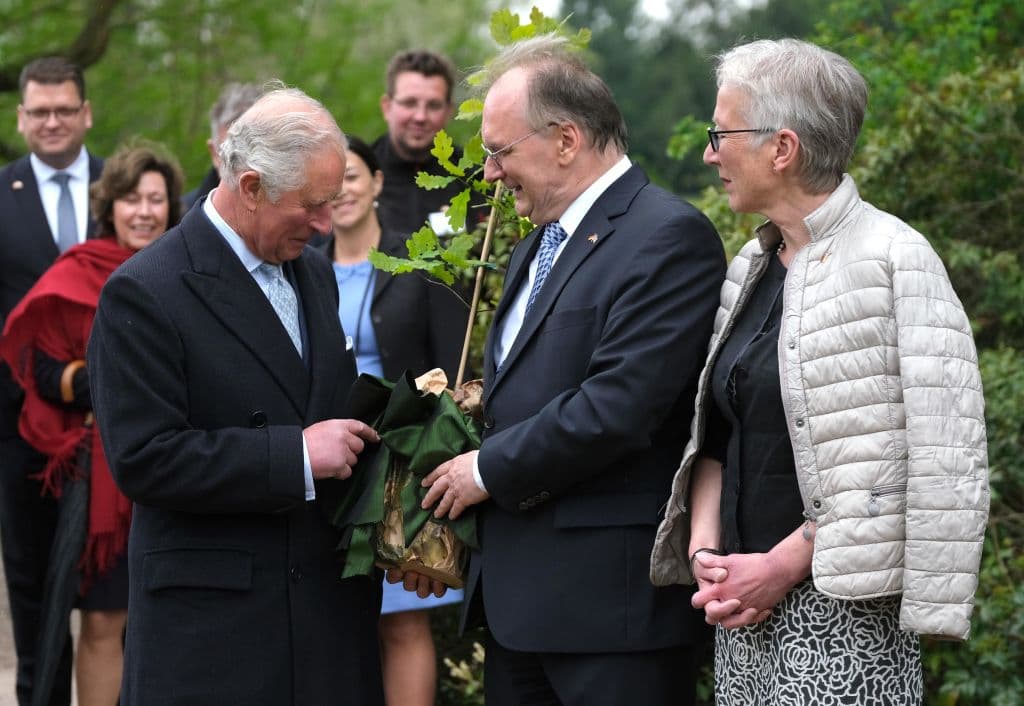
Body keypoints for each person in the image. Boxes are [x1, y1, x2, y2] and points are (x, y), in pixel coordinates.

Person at [648, 38, 990, 705]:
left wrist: (781, 566)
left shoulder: (896, 260)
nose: (710, 153)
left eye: (722, 133)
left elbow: (931, 453)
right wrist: (706, 553)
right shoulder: (748, 267)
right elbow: (718, 429)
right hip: (741, 612)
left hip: (844, 611)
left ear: (783, 148)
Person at [407, 34, 726, 706]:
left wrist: (482, 473)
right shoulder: (536, 246)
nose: (490, 172)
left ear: (565, 140)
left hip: (611, 621)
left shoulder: (668, 238)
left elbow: (619, 405)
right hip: (519, 612)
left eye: (499, 151)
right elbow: (520, 398)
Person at [86, 86, 385, 706]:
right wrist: (295, 458)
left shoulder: (316, 272)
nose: (327, 224)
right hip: (216, 638)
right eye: (312, 205)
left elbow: (331, 417)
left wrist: (400, 517)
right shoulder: (145, 291)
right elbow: (145, 458)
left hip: (326, 627)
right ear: (250, 187)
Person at [1, 141, 184, 706]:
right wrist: (111, 381)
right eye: (132, 199)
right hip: (103, 474)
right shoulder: (78, 268)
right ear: (111, 206)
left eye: (156, 199)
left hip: (183, 469)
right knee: (105, 619)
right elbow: (43, 363)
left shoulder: (190, 270)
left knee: (172, 623)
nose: (145, 211)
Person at [319, 135, 468, 706]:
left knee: (403, 621)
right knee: (336, 621)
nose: (342, 192)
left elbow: (452, 369)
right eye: (331, 183)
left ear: (378, 182)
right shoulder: (305, 268)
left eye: (353, 177)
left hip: (403, 463)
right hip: (332, 467)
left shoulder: (419, 263)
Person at [0, 55, 102, 706]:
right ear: (20, 117)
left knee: (107, 595)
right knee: (34, 594)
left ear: (86, 113)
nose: (53, 121)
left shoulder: (123, 193)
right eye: (40, 111)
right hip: (19, 430)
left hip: (112, 427)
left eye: (65, 109)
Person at [374, 49, 482, 234]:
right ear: (387, 107)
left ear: (449, 111)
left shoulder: (476, 177)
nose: (421, 117)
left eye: (433, 105)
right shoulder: (360, 176)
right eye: (409, 103)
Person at [182, 81, 263, 210]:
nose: (243, 164)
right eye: (231, 151)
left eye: (254, 149)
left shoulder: (300, 214)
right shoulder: (181, 215)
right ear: (214, 153)